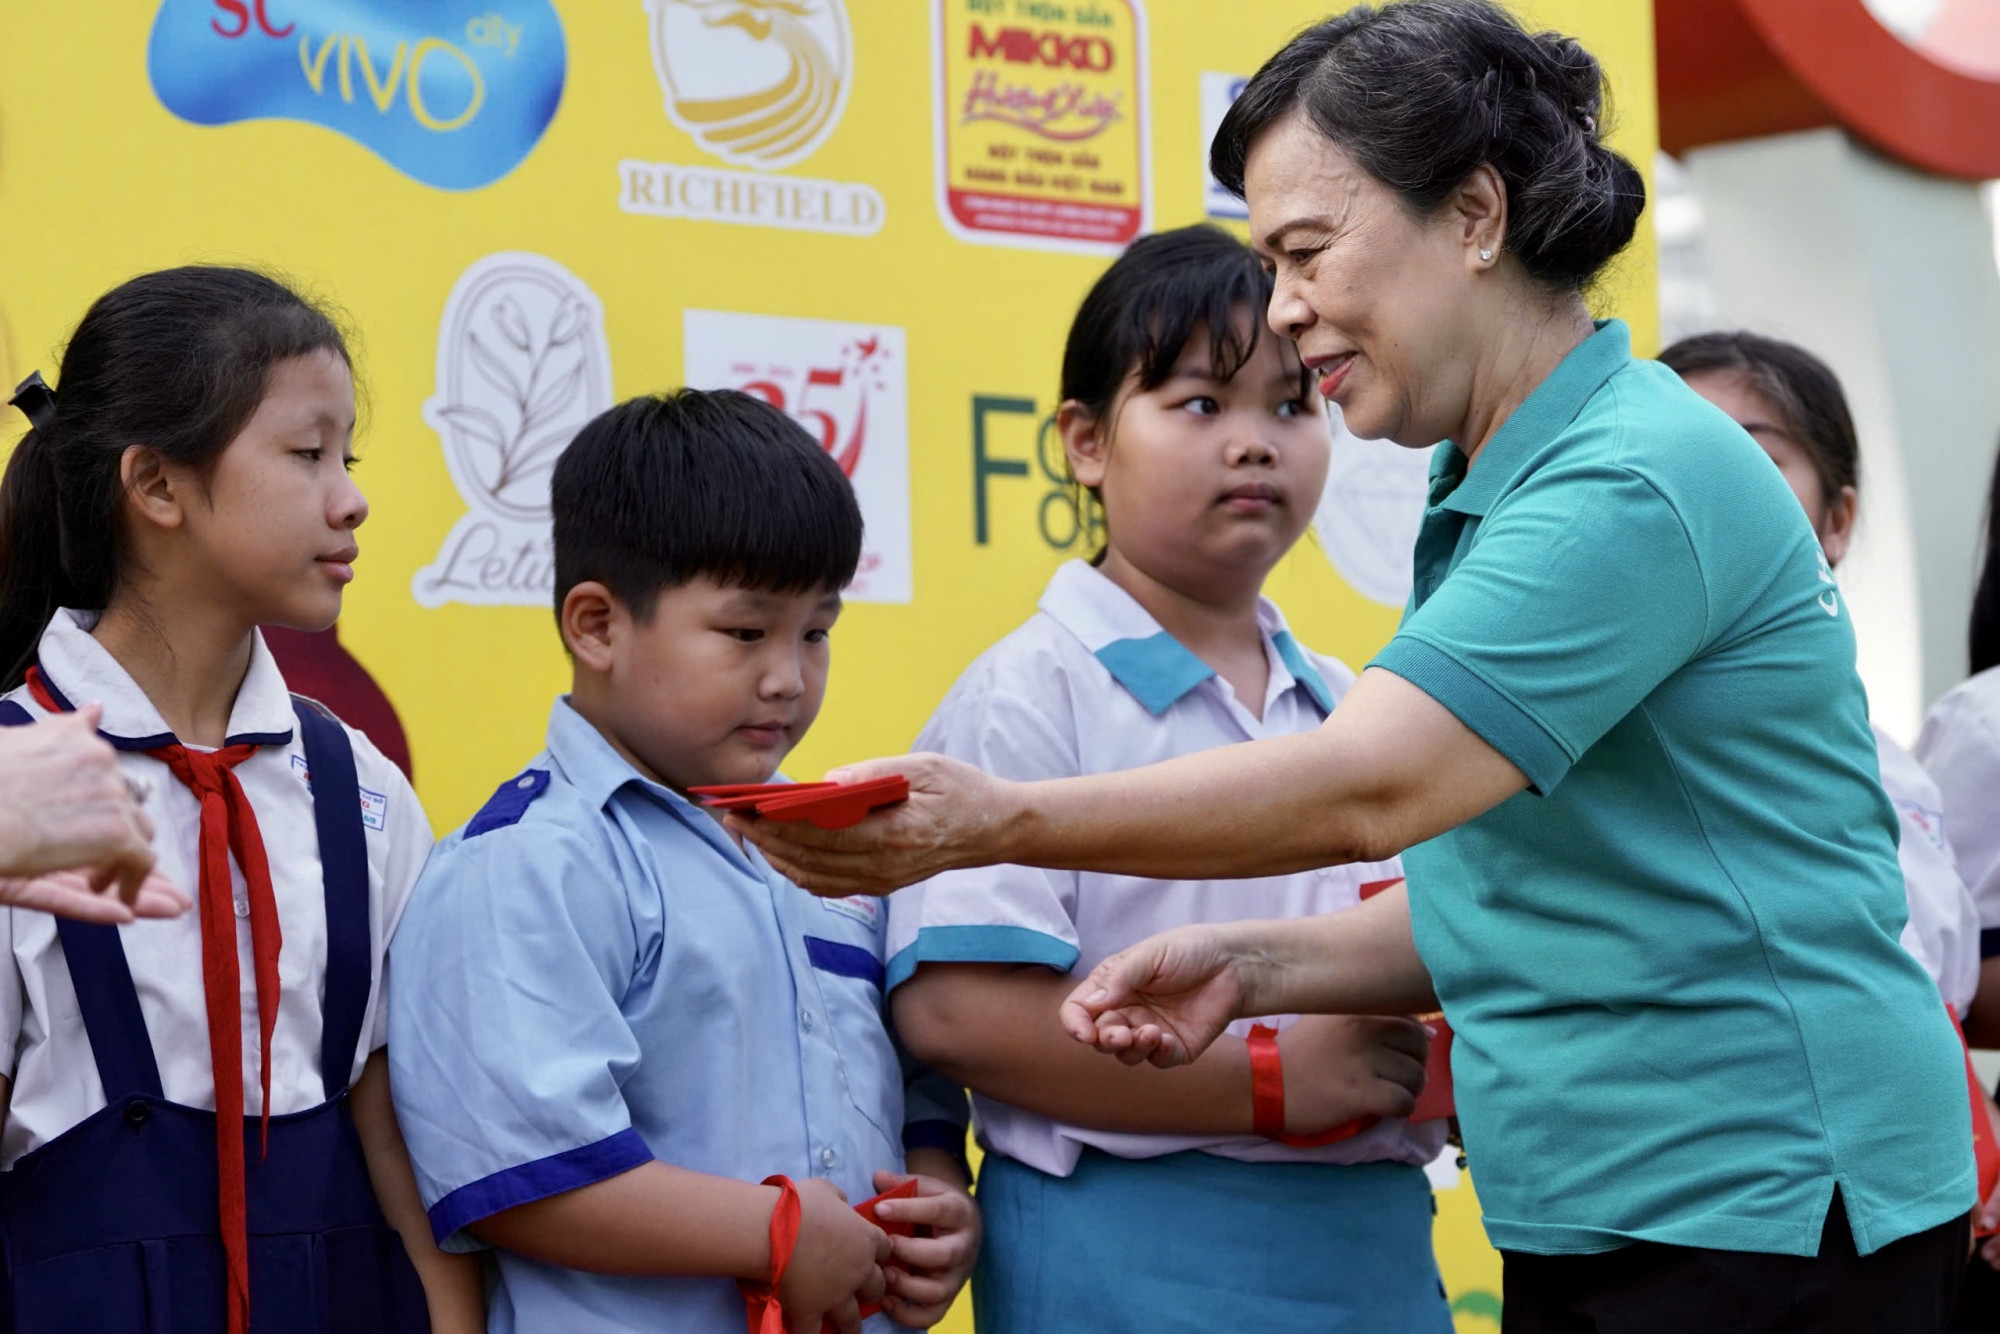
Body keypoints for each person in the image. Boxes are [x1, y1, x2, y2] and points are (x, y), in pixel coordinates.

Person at [731, 3, 1977, 1329]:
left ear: (1477, 216)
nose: (1287, 311)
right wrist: (1261, 970)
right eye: (1267, 268)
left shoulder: (1624, 480)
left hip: (1765, 1200)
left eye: (1306, 253)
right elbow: (1541, 889)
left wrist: (996, 822)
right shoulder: (1500, 479)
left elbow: (1372, 785)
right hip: (1621, 1197)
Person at [886, 224, 1450, 1334]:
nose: (1254, 444)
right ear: (1085, 442)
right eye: (1201, 404)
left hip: (1371, 1238)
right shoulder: (1030, 688)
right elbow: (955, 1010)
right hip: (1123, 1242)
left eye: (1290, 406)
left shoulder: (1355, 702)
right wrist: (1272, 1079)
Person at [387, 390, 981, 1334]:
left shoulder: (830, 851)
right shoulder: (527, 865)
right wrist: (773, 1232)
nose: (788, 676)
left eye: (816, 632)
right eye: (745, 633)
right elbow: (519, 1178)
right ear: (597, 626)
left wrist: (940, 1200)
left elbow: (914, 1087)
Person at [0, 267, 482, 1332]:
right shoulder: (15, 781)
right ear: (157, 486)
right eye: (307, 454)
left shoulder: (360, 788)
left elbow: (396, 1138)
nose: (350, 496)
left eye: (346, 458)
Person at [1661, 331, 2000, 1259]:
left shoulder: (1899, 768)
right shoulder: (1606, 748)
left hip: (1909, 1216)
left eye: (1753, 457)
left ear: (1838, 519)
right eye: (1673, 453)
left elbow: (1938, 999)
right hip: (1735, 1220)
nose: (1708, 489)